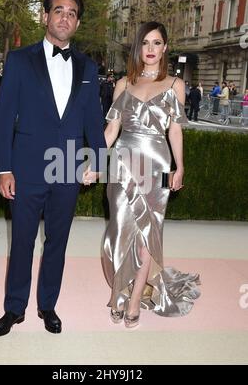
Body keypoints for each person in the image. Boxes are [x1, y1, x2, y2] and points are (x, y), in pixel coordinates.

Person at [0, 0, 106, 337]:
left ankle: (47, 305)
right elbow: (4, 115)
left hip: (68, 167)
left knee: (58, 241)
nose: (64, 17)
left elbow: (92, 119)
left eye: (72, 13)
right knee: (22, 241)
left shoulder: (88, 66)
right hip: (24, 169)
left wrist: (96, 159)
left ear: (78, 22)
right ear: (45, 16)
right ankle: (14, 308)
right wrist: (4, 168)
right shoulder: (21, 60)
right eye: (59, 11)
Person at [85, 22, 201, 327]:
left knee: (149, 235)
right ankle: (118, 290)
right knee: (118, 232)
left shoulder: (176, 84)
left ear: (165, 48)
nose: (151, 49)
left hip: (158, 165)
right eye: (146, 43)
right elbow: (111, 130)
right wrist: (93, 161)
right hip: (122, 165)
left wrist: (180, 166)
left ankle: (133, 298)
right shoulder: (123, 84)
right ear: (139, 48)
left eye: (157, 43)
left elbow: (175, 130)